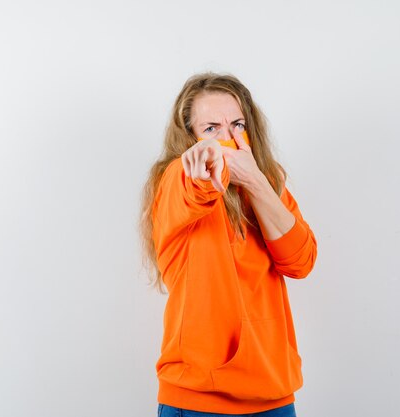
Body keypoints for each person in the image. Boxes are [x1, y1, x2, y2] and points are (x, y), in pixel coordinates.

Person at [139, 72, 318, 416]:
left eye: (237, 124)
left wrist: (257, 182)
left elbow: (301, 261)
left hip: (275, 395)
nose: (228, 138)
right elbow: (194, 184)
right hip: (198, 398)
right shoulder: (177, 176)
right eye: (210, 129)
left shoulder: (268, 183)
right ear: (188, 136)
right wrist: (203, 163)